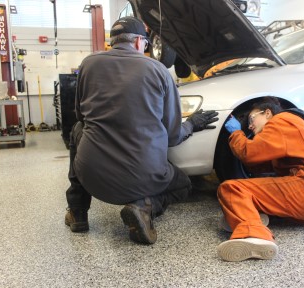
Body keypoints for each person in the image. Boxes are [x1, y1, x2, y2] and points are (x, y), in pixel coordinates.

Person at [64, 16, 218, 245]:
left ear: (113, 41)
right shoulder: (159, 70)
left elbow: (80, 117)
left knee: (77, 129)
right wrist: (193, 123)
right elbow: (173, 136)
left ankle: (77, 212)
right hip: (144, 179)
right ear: (139, 42)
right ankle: (144, 207)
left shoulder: (88, 64)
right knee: (183, 185)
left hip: (92, 178)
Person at [217, 96, 304, 261]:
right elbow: (263, 167)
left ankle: (255, 235)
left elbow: (249, 153)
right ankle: (250, 218)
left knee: (231, 188)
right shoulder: (294, 126)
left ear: (267, 113)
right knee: (248, 191)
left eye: (252, 118)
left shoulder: (281, 121)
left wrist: (237, 133)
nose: (250, 125)